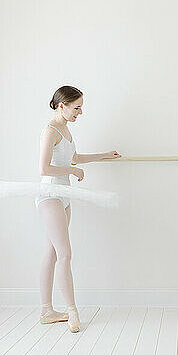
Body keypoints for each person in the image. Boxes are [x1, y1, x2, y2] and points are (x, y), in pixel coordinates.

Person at [36, 85, 121, 332]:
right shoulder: (50, 131)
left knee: (52, 253)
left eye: (81, 107)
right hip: (50, 194)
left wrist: (105, 155)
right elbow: (44, 169)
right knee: (65, 254)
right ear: (61, 106)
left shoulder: (65, 129)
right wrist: (73, 172)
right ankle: (72, 311)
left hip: (64, 196)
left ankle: (46, 311)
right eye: (76, 107)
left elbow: (73, 158)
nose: (80, 112)